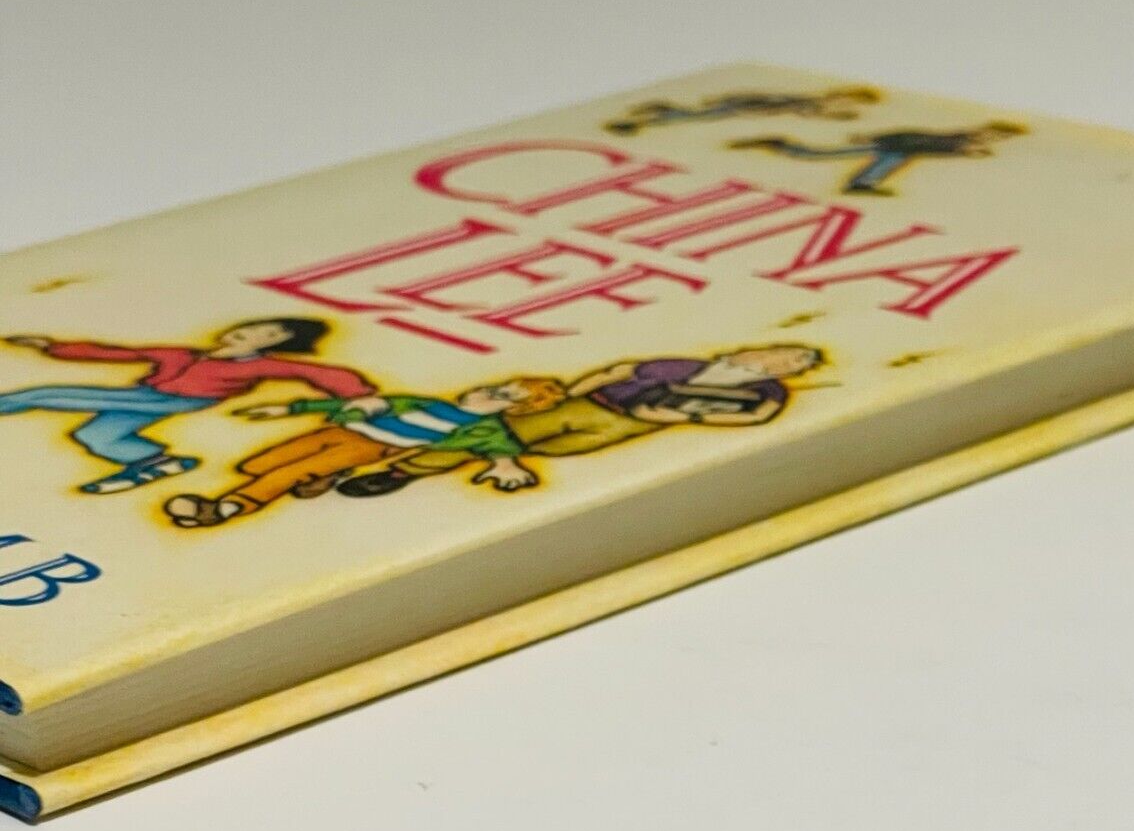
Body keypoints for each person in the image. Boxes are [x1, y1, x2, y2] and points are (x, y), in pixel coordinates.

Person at [337, 343, 823, 498]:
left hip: (632, 423)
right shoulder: (681, 364)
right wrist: (568, 394)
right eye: (782, 353)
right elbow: (618, 371)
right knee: (496, 434)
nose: (780, 362)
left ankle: (493, 464)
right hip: (592, 402)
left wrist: (692, 414)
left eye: (793, 363)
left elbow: (758, 416)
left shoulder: (767, 392)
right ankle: (402, 471)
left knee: (552, 449)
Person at [0, 319, 373, 493]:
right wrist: (51, 346)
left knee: (46, 394)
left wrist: (359, 395)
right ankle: (153, 461)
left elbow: (318, 372)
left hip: (180, 400)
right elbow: (118, 354)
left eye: (272, 335)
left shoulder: (261, 364)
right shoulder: (178, 353)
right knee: (96, 434)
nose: (255, 334)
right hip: (149, 395)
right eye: (258, 327)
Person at [161, 376, 565, 527]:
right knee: (258, 464)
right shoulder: (424, 401)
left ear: (515, 409)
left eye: (501, 395)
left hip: (371, 447)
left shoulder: (482, 427)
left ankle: (225, 508)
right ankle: (321, 479)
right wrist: (289, 409)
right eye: (492, 386)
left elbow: (500, 447)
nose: (484, 392)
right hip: (340, 430)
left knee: (281, 476)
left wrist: (507, 466)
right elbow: (362, 404)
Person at [729, 120, 1026, 196]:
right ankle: (780, 144)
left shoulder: (959, 141)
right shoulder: (956, 137)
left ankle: (860, 184)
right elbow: (916, 135)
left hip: (895, 150)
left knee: (890, 163)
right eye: (992, 135)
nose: (989, 140)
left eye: (996, 139)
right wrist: (873, 137)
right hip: (888, 145)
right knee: (818, 155)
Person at [604, 87, 879, 136]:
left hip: (741, 106)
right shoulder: (810, 100)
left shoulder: (810, 99)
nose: (844, 101)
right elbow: (807, 110)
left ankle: (651, 114)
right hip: (741, 106)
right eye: (848, 98)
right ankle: (643, 119)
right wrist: (838, 116)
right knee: (693, 116)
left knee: (691, 115)